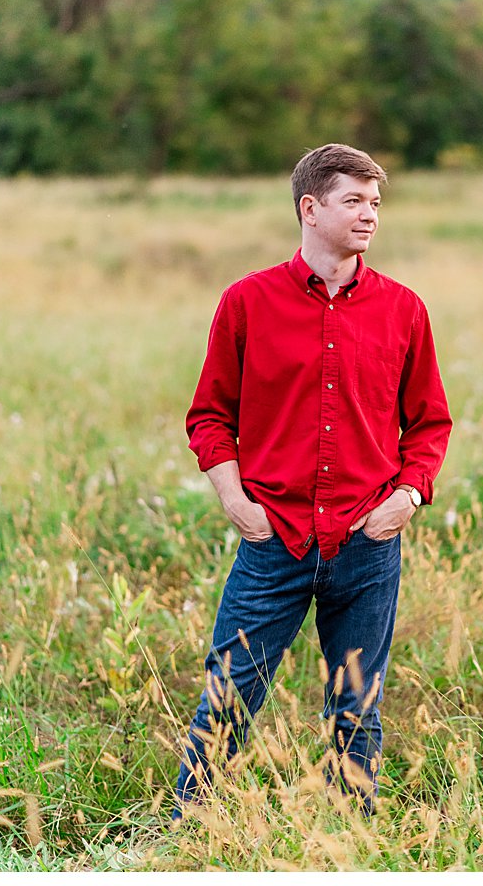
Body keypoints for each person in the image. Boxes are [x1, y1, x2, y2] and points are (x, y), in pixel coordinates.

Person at [174, 143, 452, 818]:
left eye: (376, 203)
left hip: (367, 543)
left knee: (357, 706)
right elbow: (210, 415)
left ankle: (350, 842)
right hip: (275, 541)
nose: (369, 216)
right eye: (353, 201)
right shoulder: (247, 303)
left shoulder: (403, 310)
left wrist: (407, 499)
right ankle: (185, 834)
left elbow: (429, 423)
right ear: (310, 207)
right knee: (229, 695)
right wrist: (236, 500)